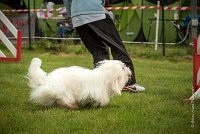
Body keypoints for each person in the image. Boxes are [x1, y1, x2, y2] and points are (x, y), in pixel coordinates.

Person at [62, 0, 145, 92]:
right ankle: (128, 83)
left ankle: (99, 84)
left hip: (77, 16)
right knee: (117, 47)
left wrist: (73, 13)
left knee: (99, 51)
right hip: (95, 11)